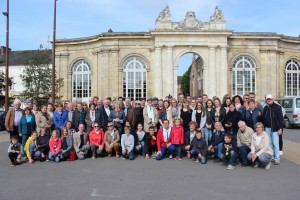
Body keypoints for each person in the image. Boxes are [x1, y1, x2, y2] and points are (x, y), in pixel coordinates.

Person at [262, 94, 283, 165]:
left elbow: (280, 119)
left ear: (273, 99)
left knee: (275, 143)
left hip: (275, 128)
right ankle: (272, 157)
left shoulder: (277, 107)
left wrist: (280, 129)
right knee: (269, 143)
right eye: (268, 99)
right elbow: (263, 118)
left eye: (270, 99)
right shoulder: (265, 108)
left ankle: (277, 158)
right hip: (267, 128)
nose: (269, 100)